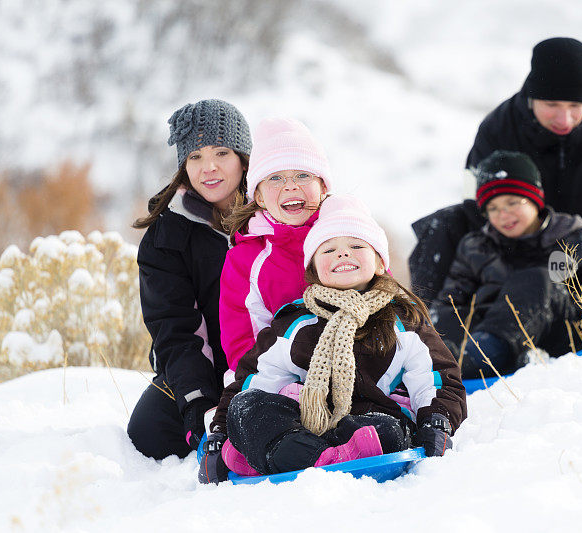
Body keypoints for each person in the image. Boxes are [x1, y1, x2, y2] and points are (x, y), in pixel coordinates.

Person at [199, 195, 466, 482]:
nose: (342, 254)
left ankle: (283, 457)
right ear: (314, 271)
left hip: (372, 422)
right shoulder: (296, 322)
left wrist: (436, 421)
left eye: (356, 246)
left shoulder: (402, 319)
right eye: (328, 250)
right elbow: (255, 378)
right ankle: (325, 458)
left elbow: (436, 377)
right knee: (247, 408)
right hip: (308, 421)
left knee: (388, 431)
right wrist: (221, 431)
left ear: (379, 263)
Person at [409, 37, 582, 305]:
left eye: (575, 107)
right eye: (552, 105)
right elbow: (477, 210)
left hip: (573, 253)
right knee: (444, 225)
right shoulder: (499, 127)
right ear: (533, 97)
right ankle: (423, 323)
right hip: (507, 244)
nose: (564, 119)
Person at [127, 99, 252, 460]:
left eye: (221, 152)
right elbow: (175, 328)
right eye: (195, 156)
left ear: (243, 157)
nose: (208, 167)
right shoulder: (167, 236)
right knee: (150, 432)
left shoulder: (271, 213)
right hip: (207, 370)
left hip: (275, 358)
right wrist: (200, 403)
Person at [430, 150, 582, 377]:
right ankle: (453, 361)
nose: (503, 215)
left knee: (538, 279)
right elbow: (449, 304)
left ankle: (477, 359)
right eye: (492, 209)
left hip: (562, 339)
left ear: (535, 199)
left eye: (512, 203)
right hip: (485, 341)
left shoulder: (576, 239)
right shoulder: (476, 247)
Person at [218, 117, 332, 380]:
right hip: (274, 376)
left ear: (323, 187)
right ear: (258, 196)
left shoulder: (349, 238)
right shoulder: (245, 259)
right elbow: (243, 341)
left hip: (352, 369)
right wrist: (284, 386)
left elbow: (383, 303)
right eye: (276, 178)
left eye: (303, 175)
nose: (290, 186)